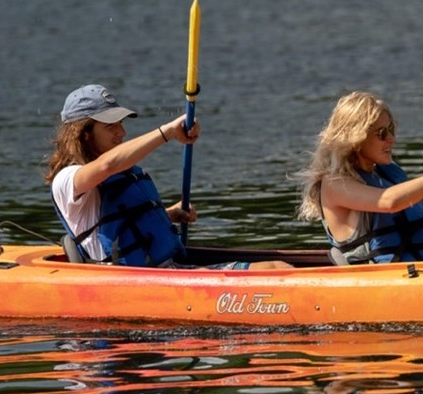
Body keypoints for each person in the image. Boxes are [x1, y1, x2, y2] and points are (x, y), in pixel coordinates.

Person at [46, 84, 290, 270]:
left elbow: (124, 222)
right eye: (111, 126)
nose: (122, 132)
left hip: (166, 271)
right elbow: (107, 165)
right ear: (84, 134)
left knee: (277, 266)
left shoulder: (117, 168)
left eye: (120, 123)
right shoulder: (67, 180)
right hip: (132, 281)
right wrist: (168, 132)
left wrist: (169, 215)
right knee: (273, 269)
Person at [298, 91, 423, 265]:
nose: (391, 139)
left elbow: (402, 224)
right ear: (356, 139)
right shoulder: (335, 183)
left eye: (391, 130)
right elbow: (389, 202)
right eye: (381, 133)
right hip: (382, 280)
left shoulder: (386, 173)